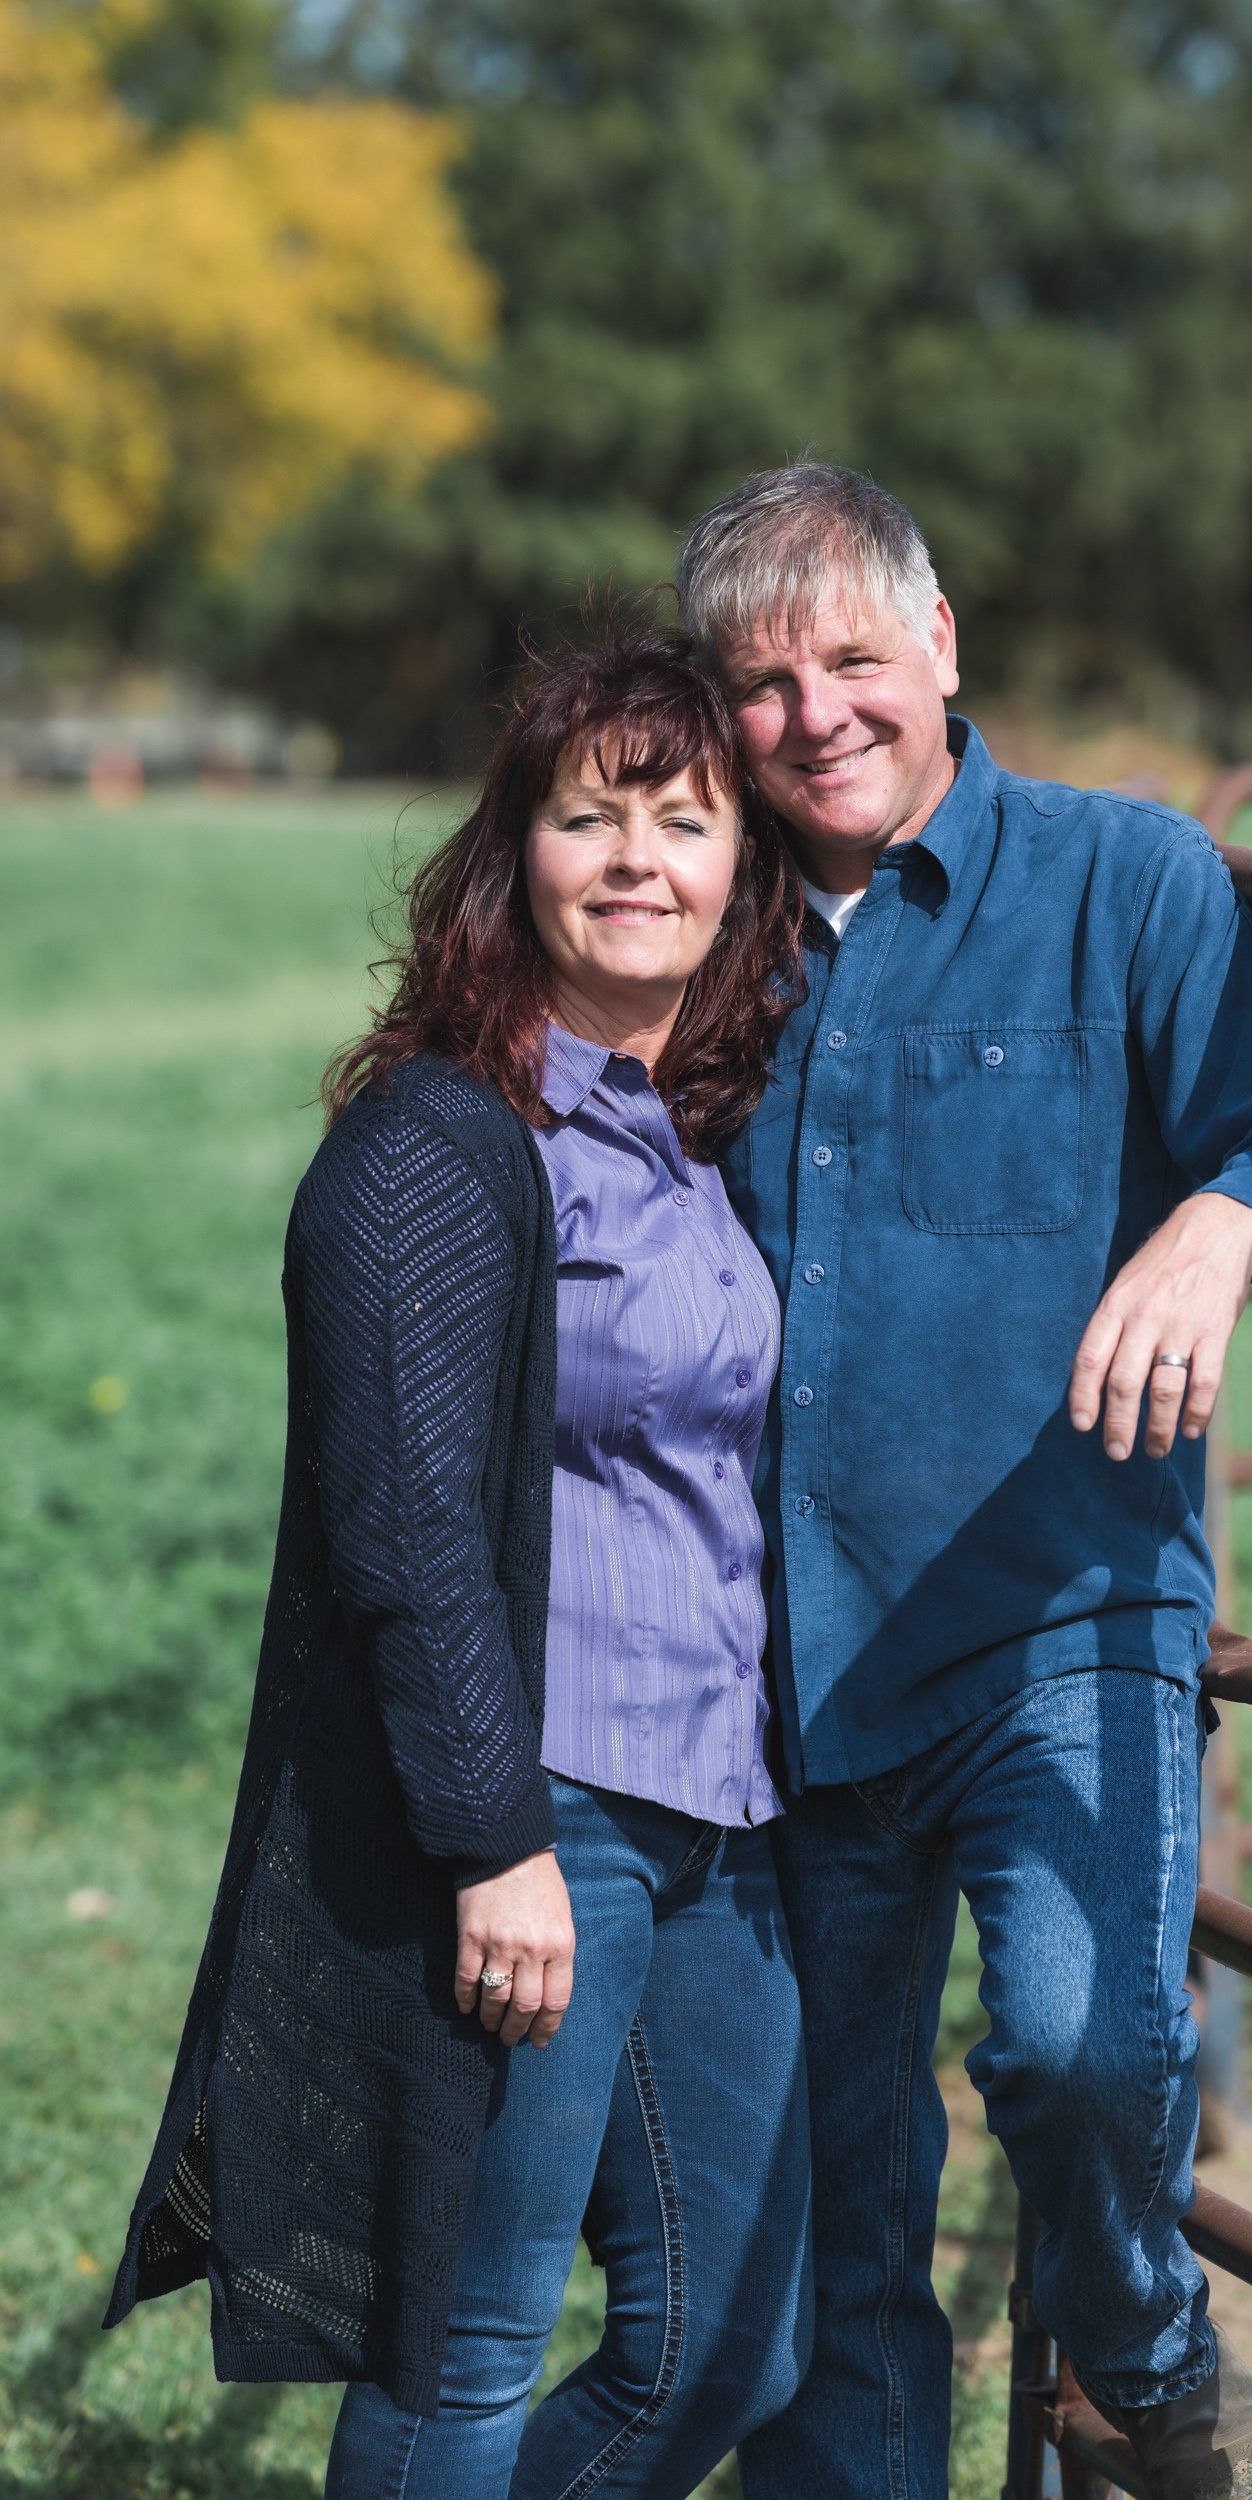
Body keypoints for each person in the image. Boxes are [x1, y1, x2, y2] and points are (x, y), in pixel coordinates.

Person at [676, 463, 1252, 2500]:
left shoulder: (1126, 880)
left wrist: (1224, 1219)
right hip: (777, 1648)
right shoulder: (697, 923)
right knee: (837, 2201)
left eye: (850, 656)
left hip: (1056, 1613)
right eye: (760, 681)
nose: (814, 712)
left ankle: (1141, 2356)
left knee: (1086, 2045)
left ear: (941, 650)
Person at [104, 624, 814, 2499]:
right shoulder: (440, 1143)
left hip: (724, 1815)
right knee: (469, 2347)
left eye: (687, 819)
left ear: (745, 860)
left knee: (729, 2346)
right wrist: (499, 1845)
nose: (642, 860)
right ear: (521, 857)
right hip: (546, 1811)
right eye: (594, 818)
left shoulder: (694, 1134)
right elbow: (406, 1531)